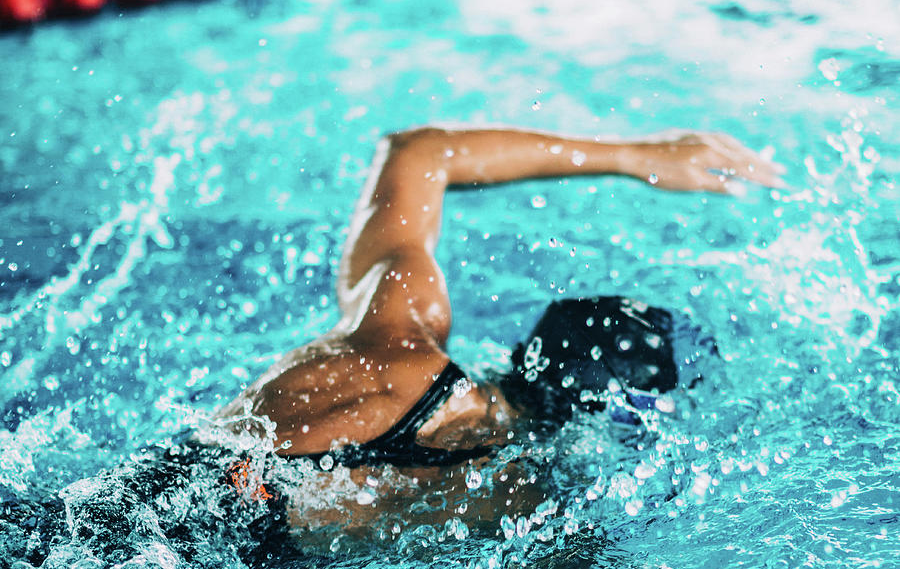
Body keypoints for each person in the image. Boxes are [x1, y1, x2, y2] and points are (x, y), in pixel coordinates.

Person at [214, 126, 785, 530]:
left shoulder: (399, 331)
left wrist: (632, 156)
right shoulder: (512, 500)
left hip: (155, 490)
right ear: (597, 419)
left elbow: (419, 150)